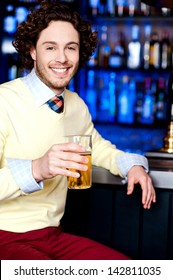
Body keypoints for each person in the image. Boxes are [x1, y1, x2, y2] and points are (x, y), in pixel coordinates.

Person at [0, 0, 156, 260]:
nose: (62, 58)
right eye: (50, 47)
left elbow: (99, 147)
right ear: (32, 51)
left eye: (70, 48)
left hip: (52, 236)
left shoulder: (75, 105)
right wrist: (37, 168)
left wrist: (133, 166)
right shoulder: (4, 101)